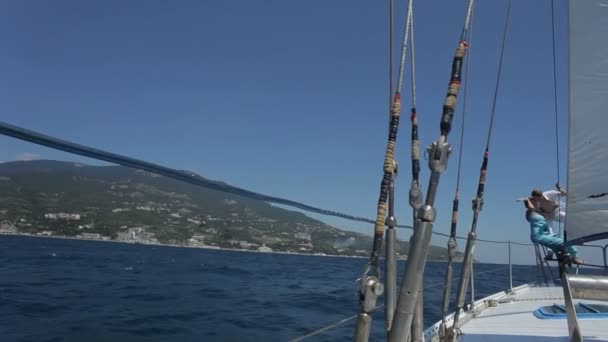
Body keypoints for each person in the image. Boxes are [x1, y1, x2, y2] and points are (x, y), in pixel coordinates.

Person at [523, 197, 582, 265]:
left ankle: (567, 256)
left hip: (545, 234)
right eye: (535, 201)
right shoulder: (530, 213)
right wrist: (527, 200)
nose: (537, 202)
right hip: (538, 236)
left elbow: (549, 212)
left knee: (563, 238)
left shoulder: (538, 212)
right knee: (564, 241)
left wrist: (554, 207)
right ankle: (575, 257)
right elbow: (531, 208)